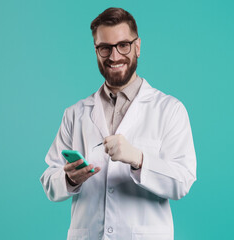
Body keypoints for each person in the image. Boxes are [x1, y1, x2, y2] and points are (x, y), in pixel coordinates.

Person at [40, 7, 196, 240]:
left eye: (123, 45)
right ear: (96, 51)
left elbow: (182, 182)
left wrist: (139, 159)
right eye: (105, 48)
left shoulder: (170, 110)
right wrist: (70, 178)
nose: (114, 56)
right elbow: (49, 181)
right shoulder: (75, 113)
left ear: (138, 46)